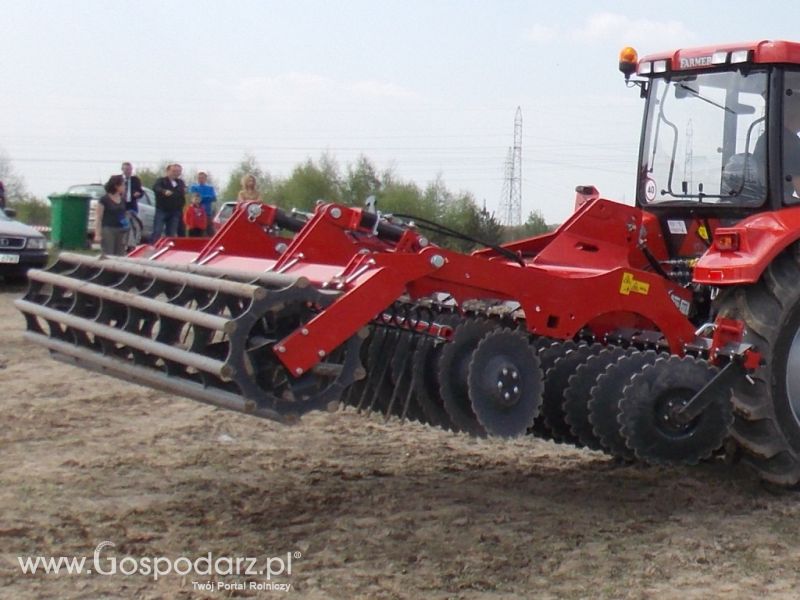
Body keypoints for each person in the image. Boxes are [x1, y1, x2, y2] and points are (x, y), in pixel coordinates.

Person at [94, 175, 130, 255]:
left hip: (121, 230)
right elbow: (98, 218)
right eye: (123, 185)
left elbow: (124, 214)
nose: (125, 187)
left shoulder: (123, 200)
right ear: (116, 186)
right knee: (108, 253)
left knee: (120, 254)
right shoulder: (104, 200)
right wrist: (97, 234)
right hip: (108, 230)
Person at [152, 164, 186, 240]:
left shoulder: (181, 183)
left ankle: (168, 249)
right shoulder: (161, 181)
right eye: (174, 171)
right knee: (157, 230)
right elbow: (156, 188)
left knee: (171, 233)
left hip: (175, 212)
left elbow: (181, 195)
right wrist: (164, 191)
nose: (176, 173)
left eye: (178, 171)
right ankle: (153, 247)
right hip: (162, 210)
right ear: (168, 171)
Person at [190, 170, 217, 235]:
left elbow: (214, 198)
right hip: (196, 212)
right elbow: (195, 198)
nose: (201, 179)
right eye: (199, 178)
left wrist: (202, 197)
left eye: (202, 178)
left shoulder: (210, 188)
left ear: (205, 179)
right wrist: (207, 197)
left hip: (207, 212)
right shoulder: (194, 187)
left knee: (209, 229)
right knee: (197, 230)